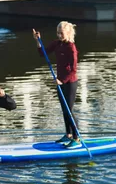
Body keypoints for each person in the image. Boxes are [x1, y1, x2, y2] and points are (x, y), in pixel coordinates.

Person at [33, 21, 81, 149]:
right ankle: (68, 134)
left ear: (68, 33)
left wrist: (62, 80)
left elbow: (73, 69)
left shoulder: (71, 47)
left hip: (70, 82)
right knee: (64, 110)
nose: (59, 35)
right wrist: (38, 40)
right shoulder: (57, 44)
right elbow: (42, 53)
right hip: (60, 81)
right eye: (58, 33)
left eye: (62, 33)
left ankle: (77, 138)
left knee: (69, 110)